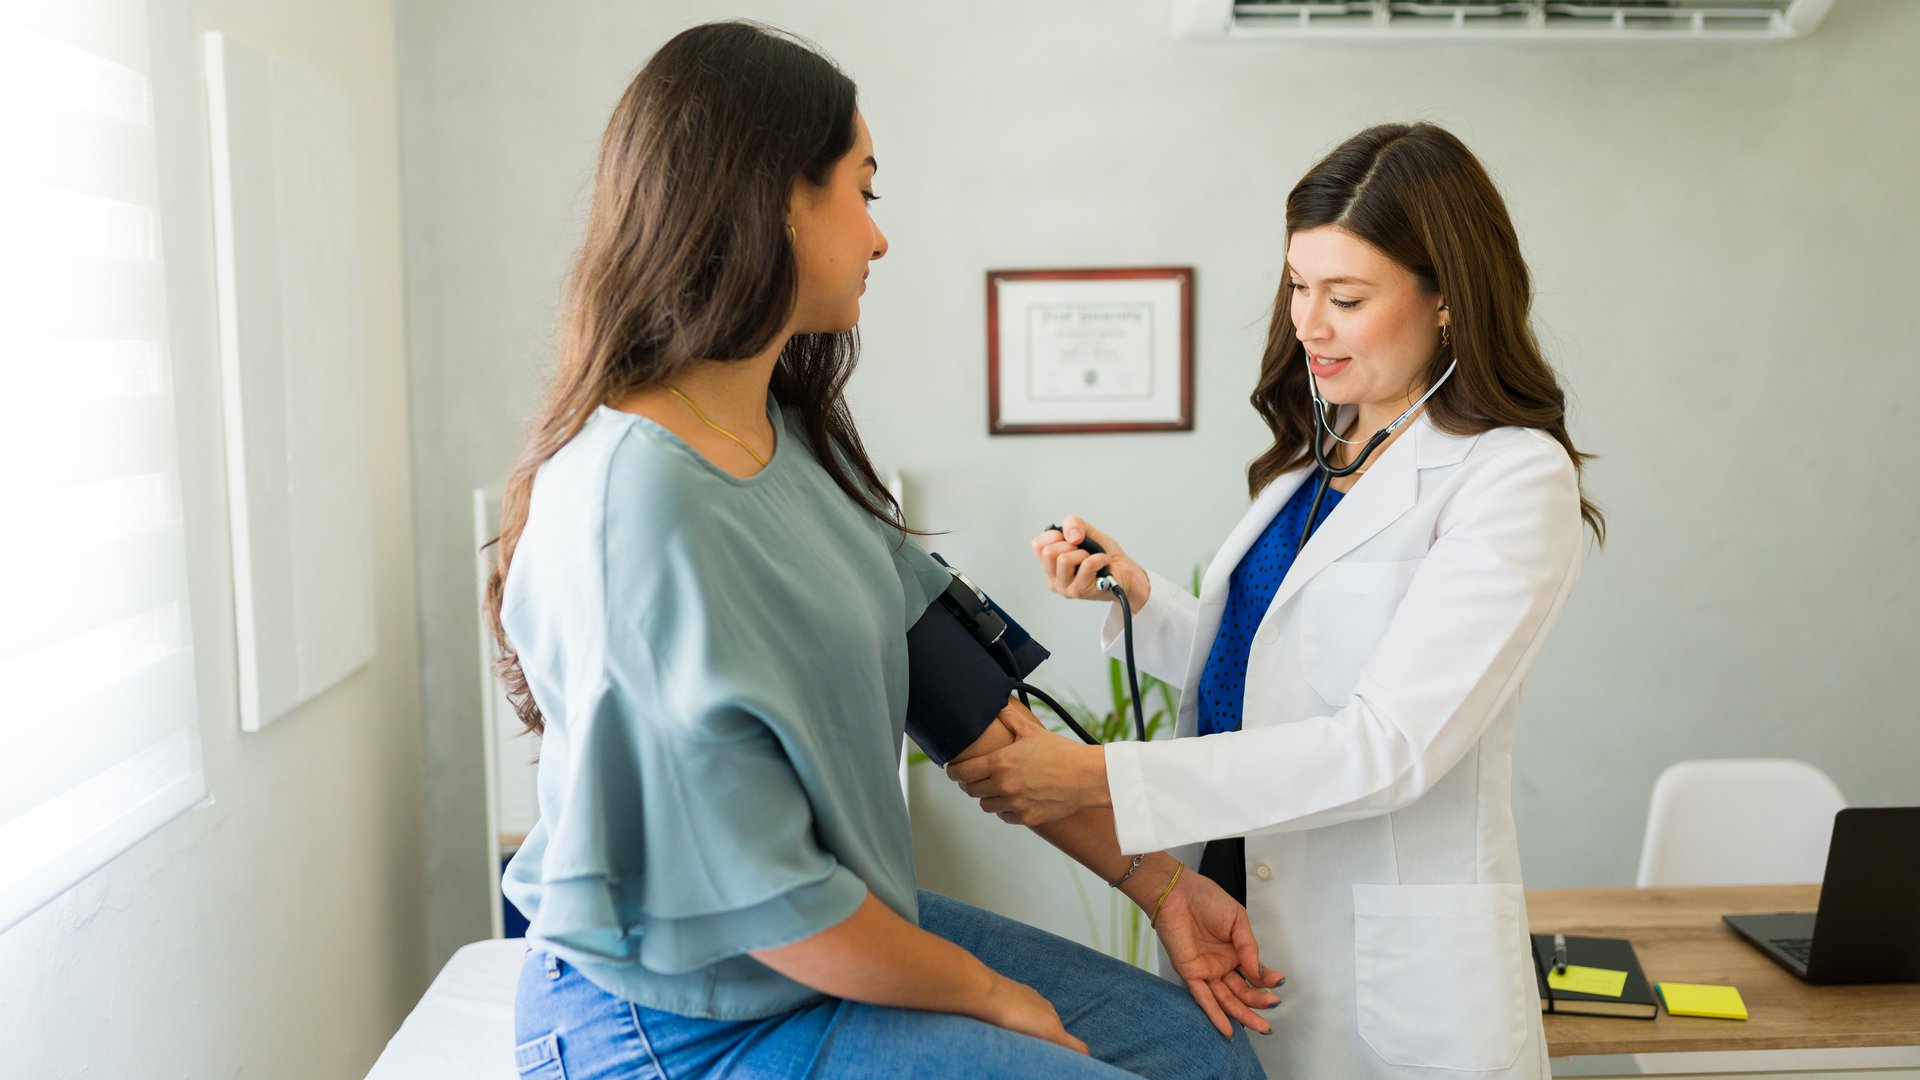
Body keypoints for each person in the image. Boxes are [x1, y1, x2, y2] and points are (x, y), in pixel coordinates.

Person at [485, 21, 1269, 1079]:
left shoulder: (782, 436)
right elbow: (762, 902)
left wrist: (1163, 887)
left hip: (815, 945)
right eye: (864, 191)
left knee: (1202, 1059)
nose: (878, 237)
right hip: (678, 1018)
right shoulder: (635, 508)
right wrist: (993, 998)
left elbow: (971, 715)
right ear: (772, 198)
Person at [948, 122, 1605, 1079]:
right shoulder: (1319, 449)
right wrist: (1146, 601)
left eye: (1346, 297)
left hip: (1383, 972)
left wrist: (1101, 778)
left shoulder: (1509, 479)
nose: (1307, 322)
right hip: (1228, 904)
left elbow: (1390, 745)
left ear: (1451, 298)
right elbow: (1270, 664)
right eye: (1299, 286)